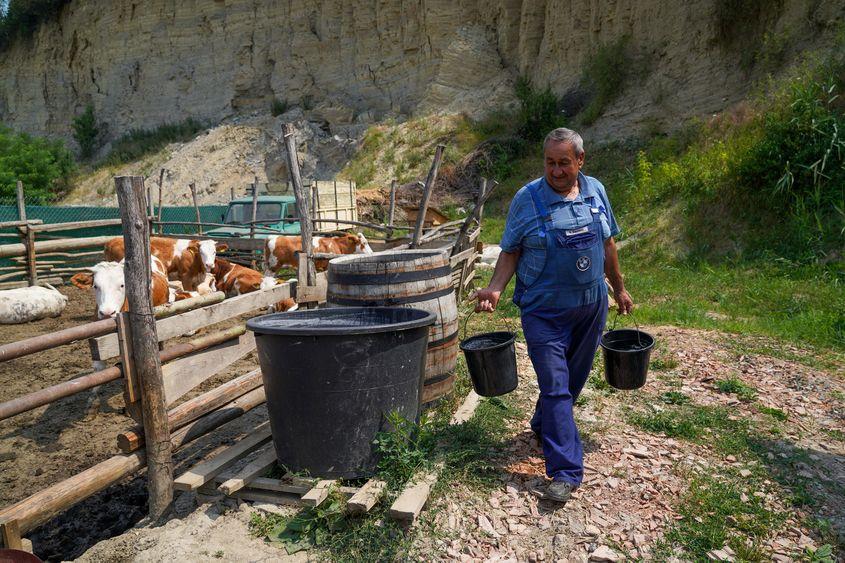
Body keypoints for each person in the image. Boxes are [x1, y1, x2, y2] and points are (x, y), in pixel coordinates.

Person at [473, 127, 633, 503]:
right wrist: (495, 288)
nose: (556, 171)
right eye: (550, 162)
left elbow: (608, 244)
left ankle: (545, 422)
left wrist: (619, 288)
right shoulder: (527, 198)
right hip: (543, 310)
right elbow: (510, 250)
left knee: (572, 381)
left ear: (580, 160)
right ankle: (565, 471)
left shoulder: (596, 191)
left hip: (591, 306)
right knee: (556, 386)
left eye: (564, 162)